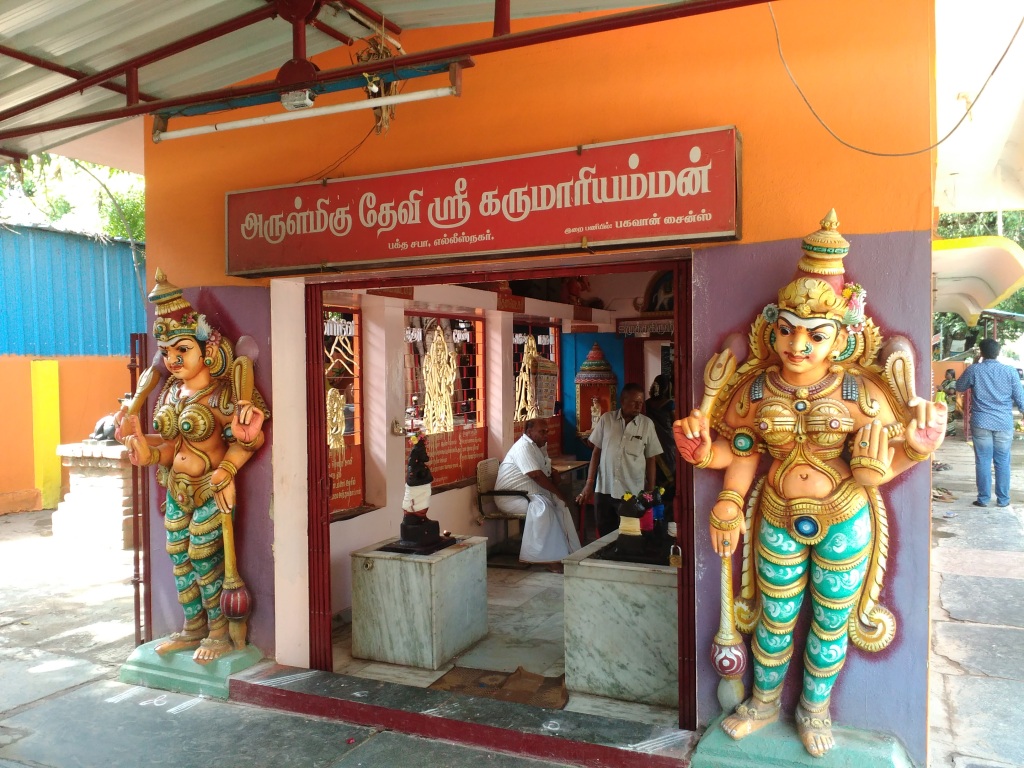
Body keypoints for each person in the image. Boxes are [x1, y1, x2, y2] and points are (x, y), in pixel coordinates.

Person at [673, 211, 946, 758]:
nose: (798, 344)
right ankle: (764, 701)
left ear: (841, 337)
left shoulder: (859, 392)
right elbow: (743, 451)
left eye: (815, 333)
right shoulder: (754, 390)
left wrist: (916, 446)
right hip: (775, 513)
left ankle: (814, 707)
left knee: (830, 619)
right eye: (787, 329)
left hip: (844, 515)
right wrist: (712, 464)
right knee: (773, 618)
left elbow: (886, 459)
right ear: (772, 328)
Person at [116, 269, 269, 665]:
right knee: (179, 558)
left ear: (206, 350)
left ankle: (219, 632)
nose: (173, 359)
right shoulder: (167, 390)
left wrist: (230, 468)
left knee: (205, 558)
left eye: (182, 349)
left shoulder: (223, 394)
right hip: (177, 489)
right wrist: (143, 447)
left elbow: (248, 440)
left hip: (209, 488)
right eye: (167, 352)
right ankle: (192, 627)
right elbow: (168, 446)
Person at [577, 383, 663, 537]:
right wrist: (589, 484)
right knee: (604, 534)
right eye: (634, 402)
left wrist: (650, 489)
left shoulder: (646, 424)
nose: (638, 406)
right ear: (622, 401)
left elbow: (651, 458)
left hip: (632, 492)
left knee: (631, 536)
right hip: (605, 489)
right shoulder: (606, 420)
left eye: (641, 402)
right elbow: (596, 452)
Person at [494, 419, 581, 570]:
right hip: (509, 498)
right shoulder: (523, 447)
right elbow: (536, 475)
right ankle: (544, 558)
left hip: (529, 494)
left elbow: (544, 471)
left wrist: (554, 476)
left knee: (560, 505)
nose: (546, 435)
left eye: (547, 431)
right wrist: (557, 492)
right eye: (542, 432)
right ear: (529, 432)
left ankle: (567, 552)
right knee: (544, 508)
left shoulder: (539, 447)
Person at [955, 338, 1024, 508]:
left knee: (983, 460)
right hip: (1003, 423)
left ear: (981, 352)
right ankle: (1003, 500)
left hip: (981, 422)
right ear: (998, 352)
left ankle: (984, 499)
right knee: (1002, 461)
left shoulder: (975, 370)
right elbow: (1020, 398)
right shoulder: (1010, 371)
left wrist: (975, 362)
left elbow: (959, 386)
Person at [645, 374, 677, 509]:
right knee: (670, 470)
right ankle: (668, 499)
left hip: (651, 442)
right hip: (668, 444)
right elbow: (675, 423)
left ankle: (655, 498)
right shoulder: (670, 404)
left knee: (654, 470)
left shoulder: (647, 404)